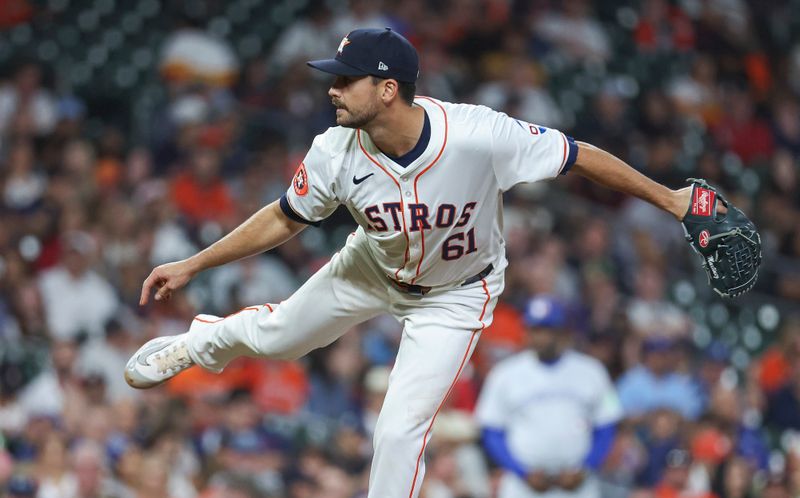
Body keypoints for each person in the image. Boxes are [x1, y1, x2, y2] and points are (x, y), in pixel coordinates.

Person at [125, 28, 694, 498]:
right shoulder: (334, 150)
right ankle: (199, 344)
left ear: (388, 88)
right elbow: (284, 217)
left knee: (398, 433)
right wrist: (195, 264)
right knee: (276, 340)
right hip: (372, 267)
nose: (334, 90)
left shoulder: (476, 135)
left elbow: (579, 155)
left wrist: (670, 200)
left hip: (456, 294)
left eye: (347, 80)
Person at [475, 296, 622, 498]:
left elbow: (606, 426)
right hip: (523, 485)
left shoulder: (592, 371)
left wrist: (586, 467)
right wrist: (521, 472)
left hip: (577, 484)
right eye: (534, 329)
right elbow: (491, 430)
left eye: (546, 330)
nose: (539, 337)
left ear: (563, 332)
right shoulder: (504, 374)